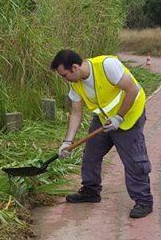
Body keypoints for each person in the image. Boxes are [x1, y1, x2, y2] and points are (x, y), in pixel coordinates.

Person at [50, 49, 153, 219]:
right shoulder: (75, 84)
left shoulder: (106, 66)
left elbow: (132, 90)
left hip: (128, 117)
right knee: (91, 155)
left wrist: (119, 118)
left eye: (64, 75)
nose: (64, 79)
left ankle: (144, 201)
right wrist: (67, 142)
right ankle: (90, 191)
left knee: (134, 161)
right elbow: (76, 113)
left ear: (74, 67)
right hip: (104, 119)